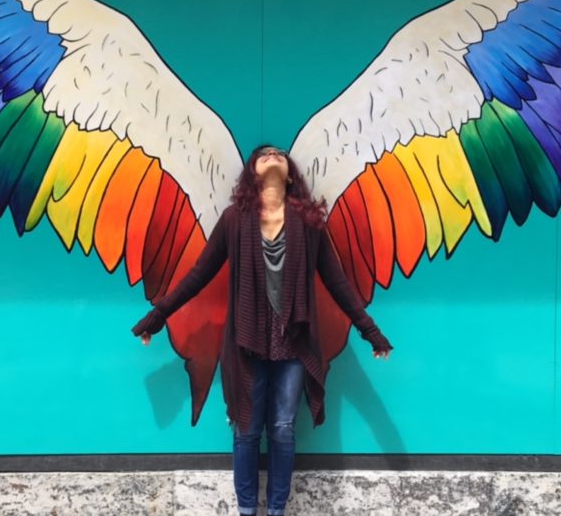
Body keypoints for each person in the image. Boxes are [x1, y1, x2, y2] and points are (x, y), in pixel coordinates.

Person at [131, 144, 393, 516]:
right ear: (252, 172)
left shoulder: (309, 225)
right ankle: (247, 510)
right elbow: (199, 275)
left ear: (290, 175)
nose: (273, 154)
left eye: (280, 154)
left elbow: (337, 283)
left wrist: (371, 331)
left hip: (293, 345)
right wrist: (157, 318)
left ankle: (276, 511)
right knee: (247, 431)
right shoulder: (234, 220)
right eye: (264, 153)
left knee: (283, 429)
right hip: (246, 342)